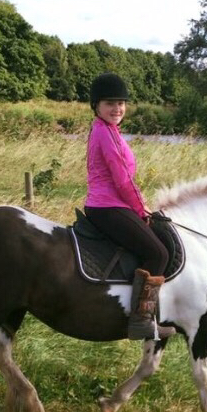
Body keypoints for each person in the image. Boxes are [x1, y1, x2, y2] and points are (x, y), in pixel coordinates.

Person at [84, 72, 175, 341]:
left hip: (108, 204)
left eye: (121, 103)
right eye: (110, 103)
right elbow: (122, 179)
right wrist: (140, 210)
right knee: (158, 253)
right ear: (97, 106)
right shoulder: (106, 134)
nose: (117, 108)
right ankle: (140, 321)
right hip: (109, 206)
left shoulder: (106, 130)